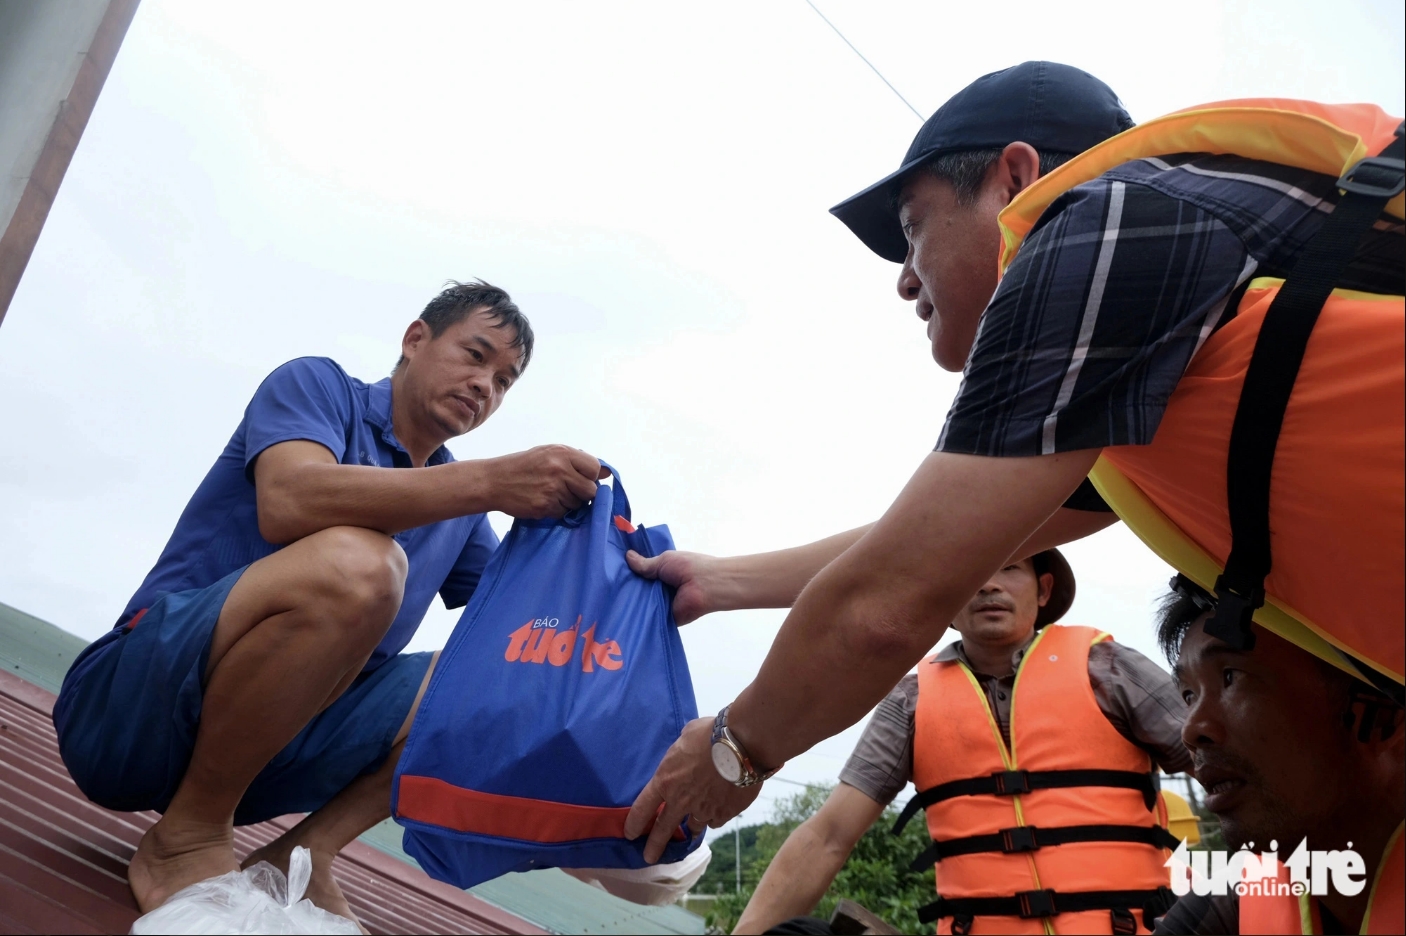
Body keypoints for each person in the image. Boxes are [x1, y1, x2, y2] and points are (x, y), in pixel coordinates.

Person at [620, 59, 1402, 934]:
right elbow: (926, 545)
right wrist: (720, 583)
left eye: (913, 230)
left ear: (1018, 179)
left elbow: (889, 600)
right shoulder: (1170, 368)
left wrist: (734, 750)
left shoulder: (1106, 223)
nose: (905, 280)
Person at [53, 280, 607, 923]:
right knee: (362, 567)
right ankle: (187, 837)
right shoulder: (316, 387)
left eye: (505, 380)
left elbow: (528, 633)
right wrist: (490, 481)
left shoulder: (459, 516)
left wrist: (634, 587)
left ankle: (303, 856)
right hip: (129, 711)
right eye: (475, 355)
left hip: (263, 758)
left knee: (499, 674)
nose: (486, 385)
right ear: (415, 339)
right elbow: (290, 499)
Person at [736, 551, 1191, 935]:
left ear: (1044, 590)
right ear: (947, 604)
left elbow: (1232, 763)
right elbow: (829, 835)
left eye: (1010, 567)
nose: (989, 585)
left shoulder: (1108, 669)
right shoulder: (911, 702)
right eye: (972, 573)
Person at [1150, 578, 1403, 935]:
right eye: (1189, 695)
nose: (1191, 730)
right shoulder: (1224, 910)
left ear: (1384, 715)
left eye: (1230, 677)